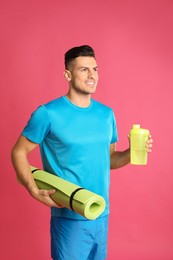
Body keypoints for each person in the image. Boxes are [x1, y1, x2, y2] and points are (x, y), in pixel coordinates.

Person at [11, 45, 153, 260]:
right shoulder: (48, 113)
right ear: (68, 74)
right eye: (84, 69)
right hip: (69, 217)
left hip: (101, 214)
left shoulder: (106, 114)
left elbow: (110, 160)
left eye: (95, 69)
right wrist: (33, 189)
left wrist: (132, 153)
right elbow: (18, 152)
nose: (92, 75)